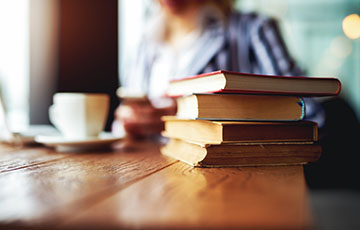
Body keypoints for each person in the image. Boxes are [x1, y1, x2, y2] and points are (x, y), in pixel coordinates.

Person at [112, 0, 323, 138]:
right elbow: (122, 125)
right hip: (152, 179)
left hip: (227, 184)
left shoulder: (253, 31)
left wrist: (184, 114)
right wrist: (128, 122)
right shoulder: (145, 42)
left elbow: (309, 114)